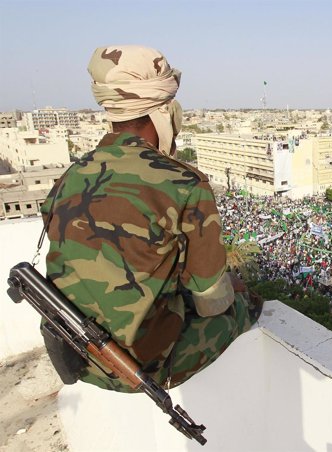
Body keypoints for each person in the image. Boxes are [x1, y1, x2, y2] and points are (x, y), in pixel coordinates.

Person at [40, 45, 260, 392]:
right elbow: (211, 300)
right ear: (165, 114)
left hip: (83, 356)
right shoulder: (184, 183)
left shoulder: (70, 176)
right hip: (139, 368)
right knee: (244, 305)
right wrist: (231, 289)